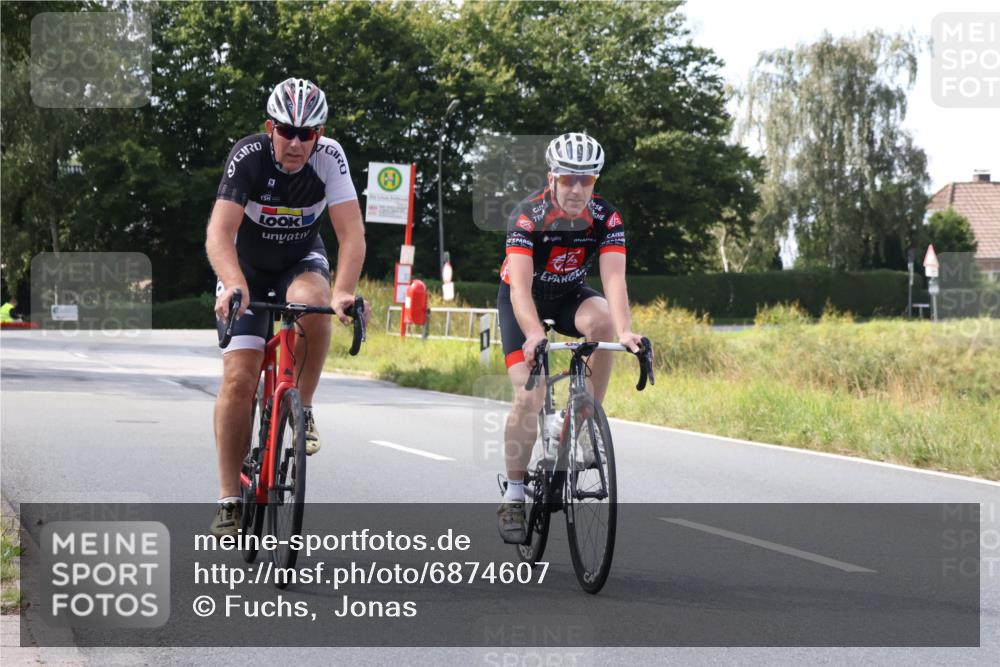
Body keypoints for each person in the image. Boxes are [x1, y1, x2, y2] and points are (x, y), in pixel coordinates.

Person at [206, 77, 368, 537]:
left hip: (299, 260)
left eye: (308, 132)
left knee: (314, 303)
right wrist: (233, 283)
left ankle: (305, 405)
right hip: (246, 267)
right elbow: (219, 232)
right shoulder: (249, 156)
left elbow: (351, 234)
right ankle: (228, 498)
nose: (296, 142)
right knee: (240, 376)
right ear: (269, 127)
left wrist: (344, 291)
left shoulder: (330, 158)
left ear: (319, 134)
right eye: (286, 130)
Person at [496, 132, 644, 544]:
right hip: (522, 302)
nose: (578, 189)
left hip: (567, 297)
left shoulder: (606, 218)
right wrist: (532, 334)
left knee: (602, 322)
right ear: (552, 177)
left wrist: (627, 330)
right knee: (528, 397)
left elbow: (614, 281)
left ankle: (582, 416)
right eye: (568, 179)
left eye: (588, 180)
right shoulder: (527, 216)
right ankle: (512, 494)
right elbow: (520, 289)